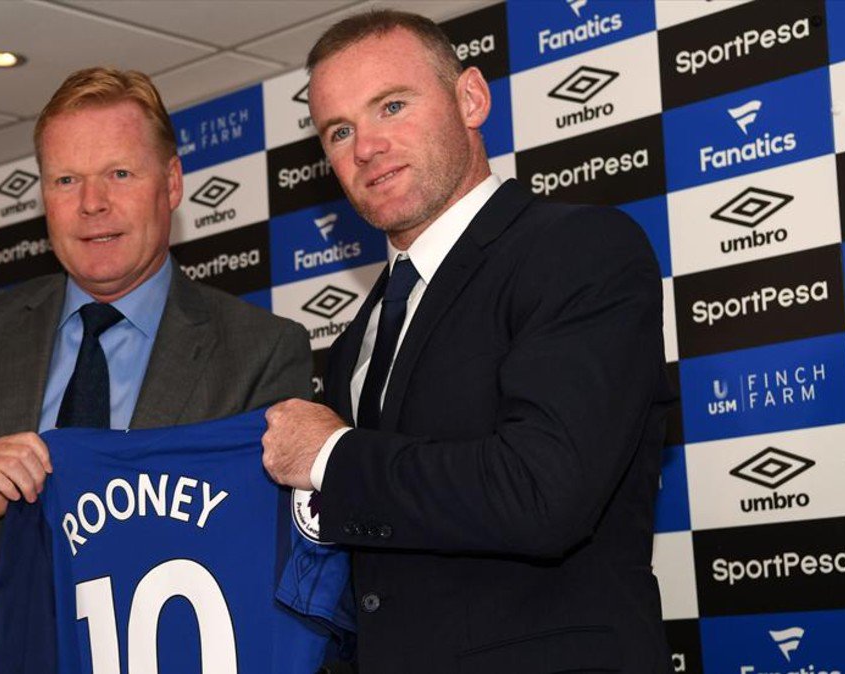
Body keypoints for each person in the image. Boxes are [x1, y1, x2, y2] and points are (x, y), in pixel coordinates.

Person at [0, 67, 312, 674]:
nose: (92, 204)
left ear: (170, 183)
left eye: (119, 173)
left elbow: (274, 569)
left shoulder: (260, 350)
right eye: (66, 179)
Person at [262, 10, 673, 673]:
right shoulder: (360, 336)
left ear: (471, 98)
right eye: (340, 131)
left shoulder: (579, 250)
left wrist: (333, 456)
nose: (365, 148)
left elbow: (544, 494)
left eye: (391, 105)